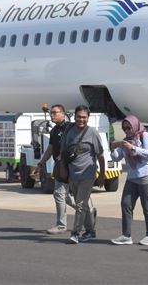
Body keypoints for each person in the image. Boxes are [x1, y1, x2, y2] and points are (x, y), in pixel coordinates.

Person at [108, 115, 148, 246]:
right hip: (132, 177)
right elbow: (116, 158)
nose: (127, 131)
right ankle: (126, 235)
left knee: (147, 207)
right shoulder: (126, 140)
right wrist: (113, 148)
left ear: (135, 126)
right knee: (126, 204)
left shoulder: (145, 136)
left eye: (129, 128)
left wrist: (133, 148)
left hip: (147, 176)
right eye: (124, 128)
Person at [59, 105, 105, 244]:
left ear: (88, 118)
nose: (81, 120)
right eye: (79, 117)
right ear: (75, 117)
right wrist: (63, 169)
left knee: (79, 204)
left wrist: (102, 174)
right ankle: (90, 231)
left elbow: (100, 156)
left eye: (84, 117)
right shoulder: (69, 132)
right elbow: (63, 152)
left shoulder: (93, 133)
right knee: (83, 205)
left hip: (88, 174)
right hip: (73, 174)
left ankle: (75, 233)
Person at [34, 104, 76, 235]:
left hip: (69, 165)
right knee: (65, 196)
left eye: (55, 113)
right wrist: (41, 163)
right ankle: (88, 210)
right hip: (59, 165)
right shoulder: (53, 131)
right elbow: (50, 148)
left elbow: (75, 145)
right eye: (51, 113)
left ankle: (61, 225)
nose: (52, 115)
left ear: (63, 114)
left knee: (59, 194)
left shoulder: (70, 128)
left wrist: (65, 156)